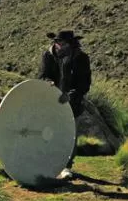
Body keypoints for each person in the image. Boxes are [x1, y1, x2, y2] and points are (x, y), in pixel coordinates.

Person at [38, 30, 91, 179]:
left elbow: (84, 84)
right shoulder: (48, 56)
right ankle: (48, 163)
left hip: (73, 104)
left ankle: (66, 166)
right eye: (57, 42)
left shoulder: (81, 58)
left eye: (62, 43)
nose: (59, 45)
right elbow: (42, 75)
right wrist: (48, 82)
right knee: (48, 132)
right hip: (51, 102)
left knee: (70, 135)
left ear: (70, 44)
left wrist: (70, 96)